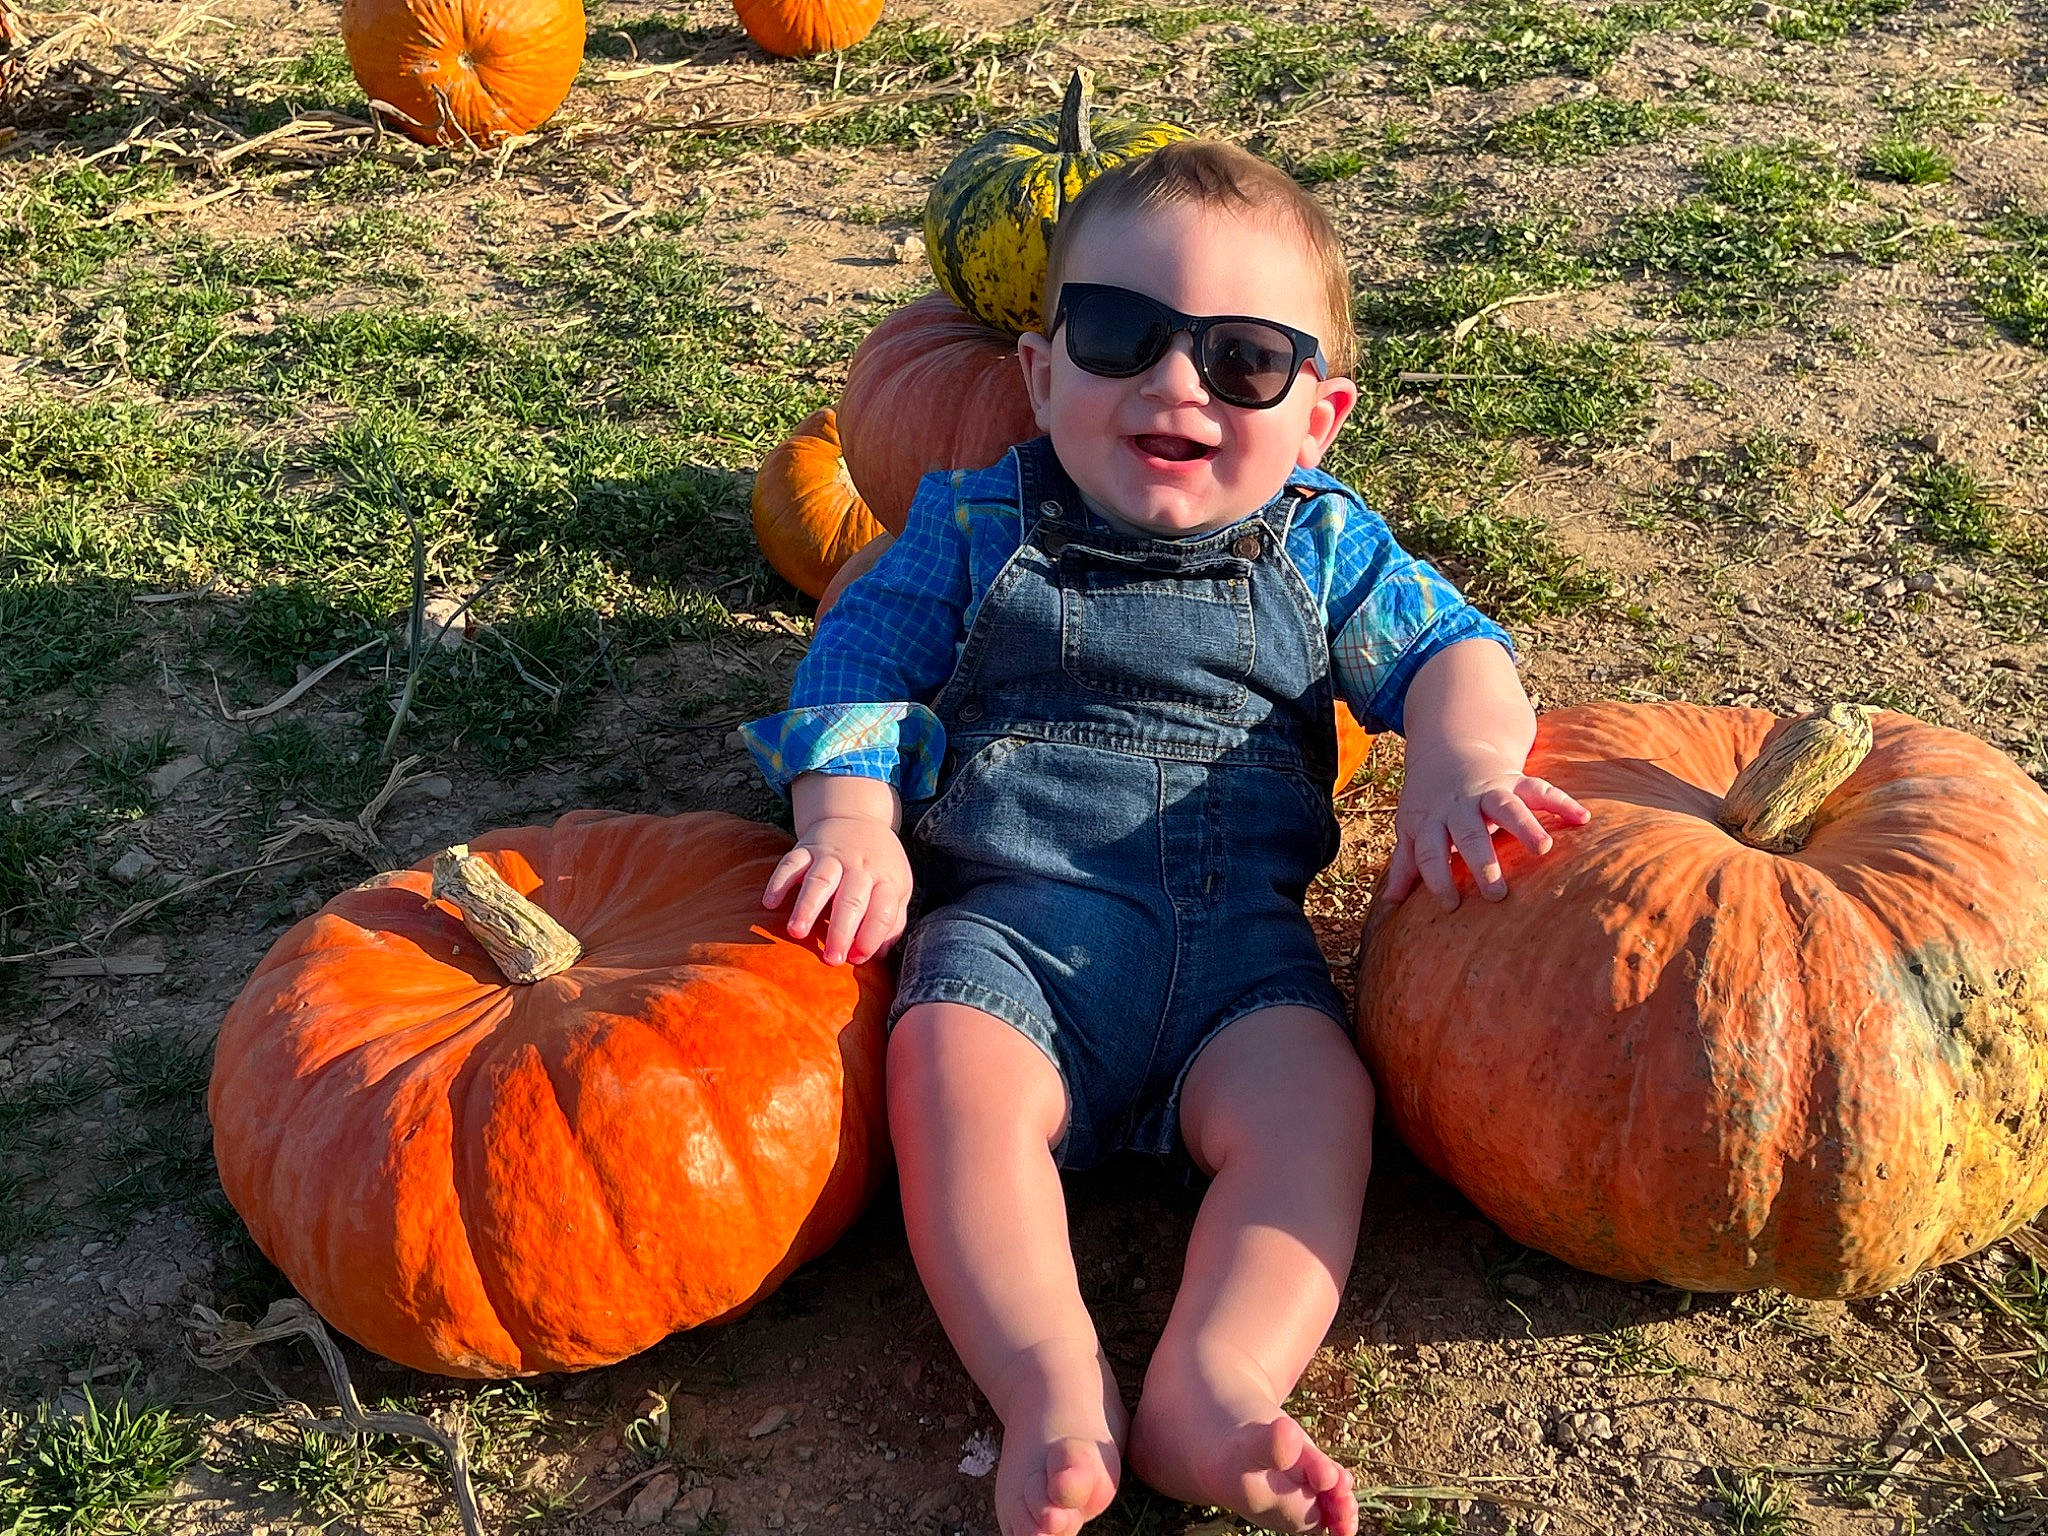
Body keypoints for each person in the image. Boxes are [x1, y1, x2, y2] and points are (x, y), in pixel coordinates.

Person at [741, 139, 1589, 1536]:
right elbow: (858, 668)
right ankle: (1047, 1381)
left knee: (1320, 1109)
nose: (1176, 383)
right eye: (1120, 336)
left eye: (1244, 360)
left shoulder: (1327, 549)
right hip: (1012, 938)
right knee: (947, 1082)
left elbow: (1455, 651)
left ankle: (1219, 1381)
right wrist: (852, 820)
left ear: (1318, 418)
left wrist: (1462, 760)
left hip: (1242, 962)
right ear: (1039, 374)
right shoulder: (974, 524)